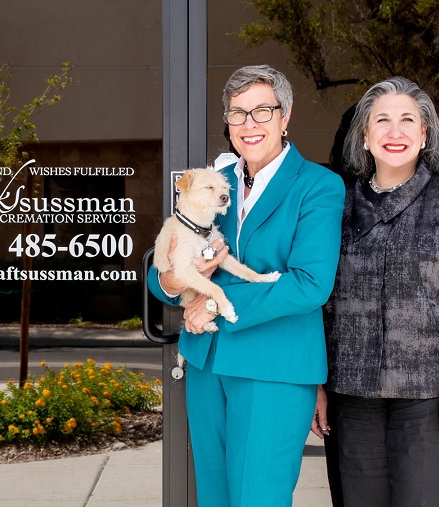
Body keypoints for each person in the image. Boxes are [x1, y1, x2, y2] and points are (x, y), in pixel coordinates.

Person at [148, 64, 345, 506]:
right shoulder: (215, 183)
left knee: (259, 498)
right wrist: (170, 279)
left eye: (262, 111)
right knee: (214, 497)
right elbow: (165, 261)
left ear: (285, 115)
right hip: (206, 363)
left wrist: (216, 305)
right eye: (238, 114)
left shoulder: (318, 185)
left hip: (273, 365)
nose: (249, 124)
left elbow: (311, 284)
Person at [318, 76, 439, 506]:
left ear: (424, 134)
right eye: (382, 120)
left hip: (433, 394)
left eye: (407, 120)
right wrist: (318, 386)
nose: (394, 131)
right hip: (352, 394)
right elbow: (321, 300)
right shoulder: (339, 204)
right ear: (364, 135)